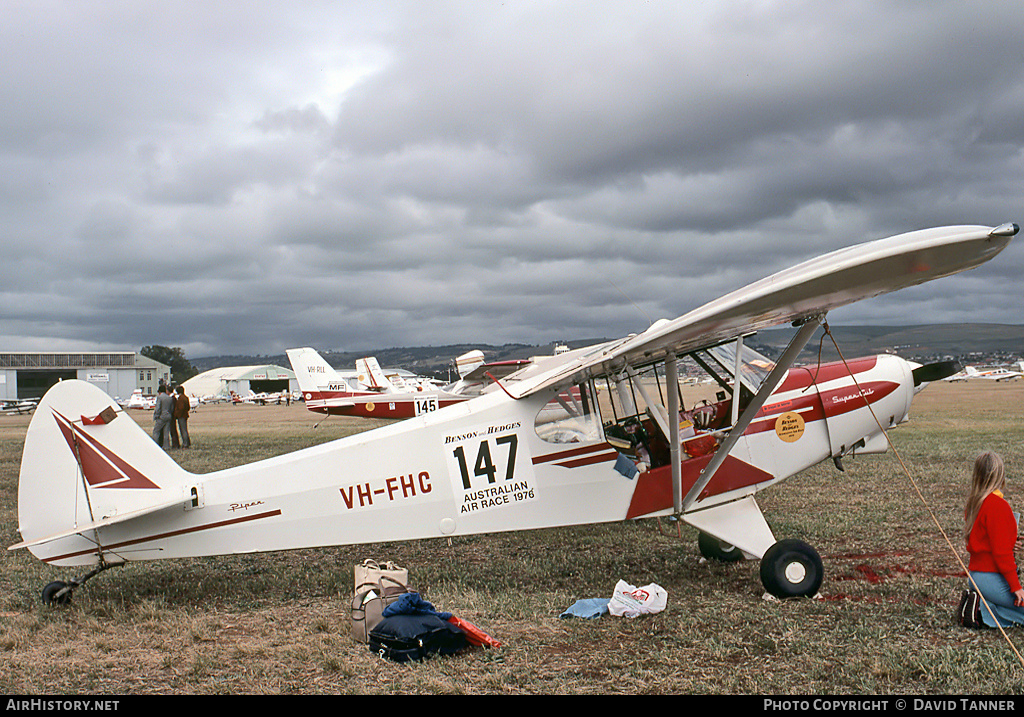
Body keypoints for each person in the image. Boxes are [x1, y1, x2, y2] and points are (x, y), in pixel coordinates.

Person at [965, 450, 1024, 627]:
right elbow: (1001, 554)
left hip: (975, 576)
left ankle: (984, 610)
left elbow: (986, 541)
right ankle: (984, 612)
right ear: (1000, 475)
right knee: (1019, 602)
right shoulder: (998, 506)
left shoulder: (974, 504)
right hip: (991, 578)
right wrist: (1016, 587)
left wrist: (1011, 541)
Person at [152, 385, 175, 450]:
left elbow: (158, 408)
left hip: (161, 417)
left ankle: (155, 445)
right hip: (168, 416)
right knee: (166, 432)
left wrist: (156, 416)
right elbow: (171, 408)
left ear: (159, 391)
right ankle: (166, 446)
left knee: (156, 431)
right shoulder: (169, 398)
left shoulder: (160, 397)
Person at [173, 384, 191, 448]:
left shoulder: (180, 399)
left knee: (183, 430)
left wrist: (176, 415)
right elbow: (188, 407)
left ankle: (185, 444)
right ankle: (187, 443)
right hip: (185, 415)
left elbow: (180, 408)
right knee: (185, 429)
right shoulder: (186, 397)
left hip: (181, 416)